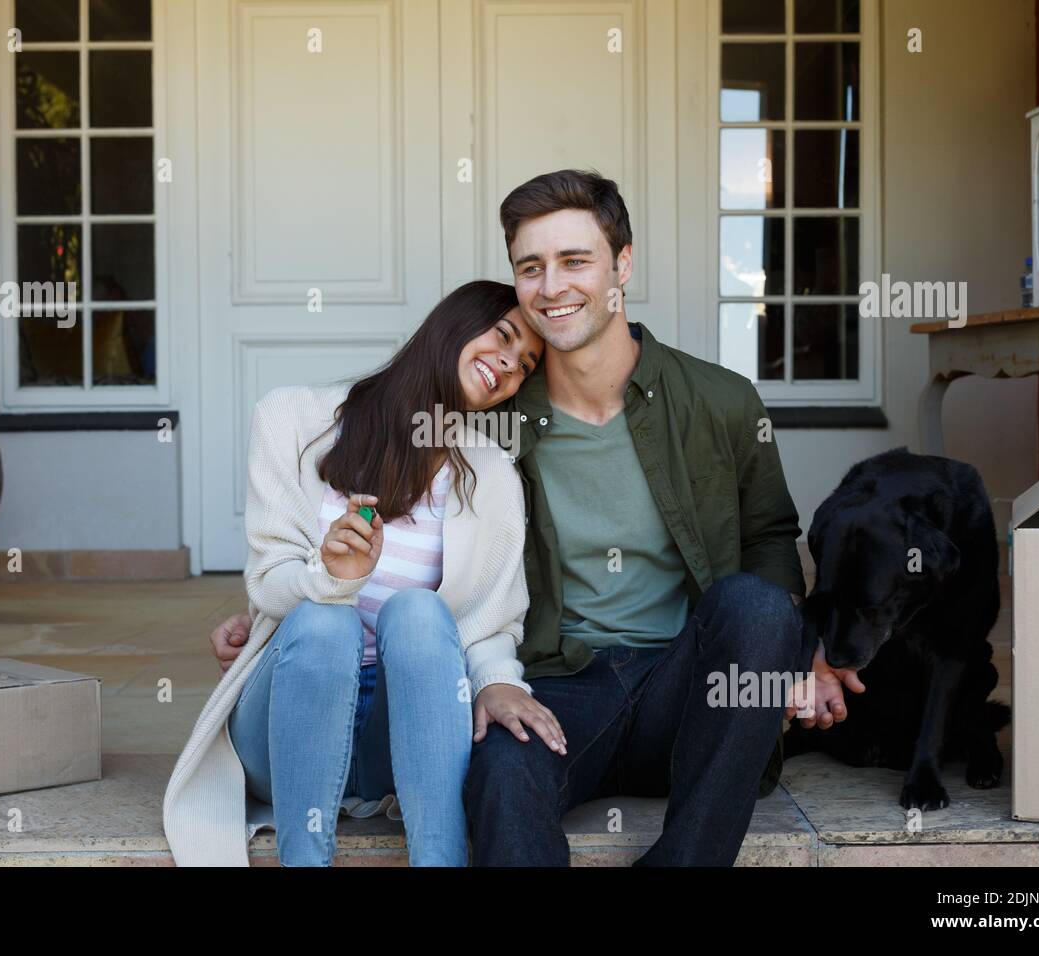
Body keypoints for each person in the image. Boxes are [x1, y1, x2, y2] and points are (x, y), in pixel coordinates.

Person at [463, 169, 862, 866]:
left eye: (575, 261)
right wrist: (286, 604)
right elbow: (397, 486)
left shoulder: (723, 401)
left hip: (688, 693)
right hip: (555, 691)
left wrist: (797, 657)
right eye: (531, 267)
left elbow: (770, 536)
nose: (552, 287)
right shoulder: (496, 415)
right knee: (498, 768)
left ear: (623, 263)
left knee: (760, 609)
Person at [163, 280, 562, 867]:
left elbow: (488, 622)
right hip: (284, 727)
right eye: (503, 336)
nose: (508, 364)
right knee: (326, 624)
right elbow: (268, 582)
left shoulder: (492, 473)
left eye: (525, 364)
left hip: (396, 735)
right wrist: (329, 578)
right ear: (450, 323)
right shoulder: (293, 418)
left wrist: (499, 681)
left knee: (419, 611)